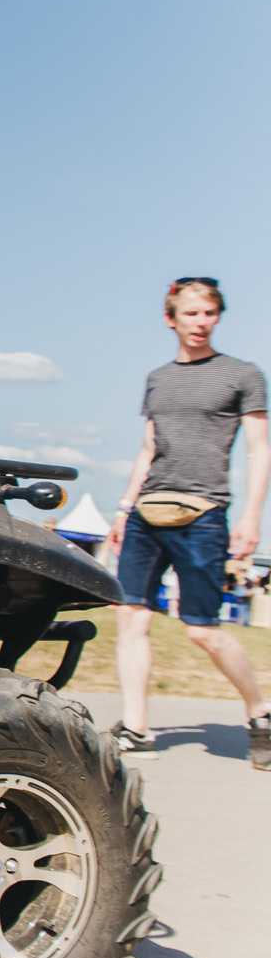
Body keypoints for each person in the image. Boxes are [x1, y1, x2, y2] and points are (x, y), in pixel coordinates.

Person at [107, 278, 269, 769]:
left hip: (204, 514)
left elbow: (259, 449)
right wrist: (123, 508)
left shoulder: (242, 374)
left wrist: (251, 517)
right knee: (130, 615)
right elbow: (148, 448)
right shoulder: (158, 377)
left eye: (209, 314)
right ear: (170, 318)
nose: (201, 323)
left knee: (201, 629)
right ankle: (136, 726)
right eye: (192, 314)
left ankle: (260, 711)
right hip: (147, 511)